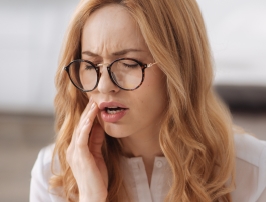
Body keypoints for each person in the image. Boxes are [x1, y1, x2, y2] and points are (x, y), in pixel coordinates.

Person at [30, 0, 266, 201]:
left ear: (178, 68)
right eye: (91, 65)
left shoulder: (256, 173)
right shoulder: (53, 176)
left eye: (128, 63)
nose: (103, 86)